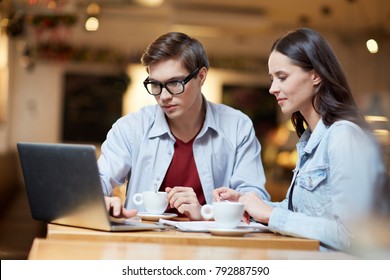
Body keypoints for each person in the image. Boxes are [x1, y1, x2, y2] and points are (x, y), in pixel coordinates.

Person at [214, 28, 385, 251]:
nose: (273, 88)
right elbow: (299, 214)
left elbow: (350, 235)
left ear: (316, 75)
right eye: (272, 78)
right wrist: (248, 203)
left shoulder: (344, 136)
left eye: (282, 77)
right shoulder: (310, 140)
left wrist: (270, 214)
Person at [98, 32, 270, 220]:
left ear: (201, 77)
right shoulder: (130, 128)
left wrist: (206, 213)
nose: (163, 96)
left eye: (174, 83)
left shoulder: (237, 127)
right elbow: (99, 179)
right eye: (155, 85)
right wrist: (98, 199)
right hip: (143, 242)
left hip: (212, 245)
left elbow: (254, 198)